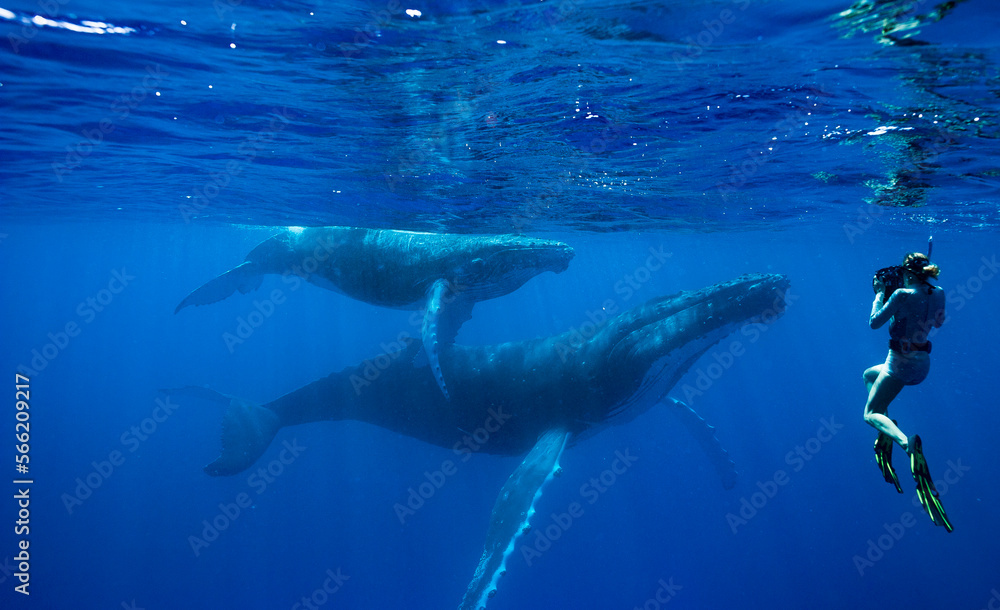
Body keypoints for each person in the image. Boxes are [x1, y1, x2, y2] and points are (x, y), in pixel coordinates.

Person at [863, 251, 952, 532]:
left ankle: (904, 442)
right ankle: (886, 428)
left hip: (899, 365)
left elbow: (874, 322)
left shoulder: (901, 294)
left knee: (869, 413)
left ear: (908, 273)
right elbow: (938, 322)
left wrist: (879, 294)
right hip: (922, 364)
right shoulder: (939, 292)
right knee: (868, 375)